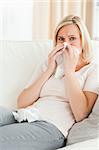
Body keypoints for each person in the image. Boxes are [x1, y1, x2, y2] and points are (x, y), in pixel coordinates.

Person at [0, 15, 98, 150]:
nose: (66, 44)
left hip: (51, 127)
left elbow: (81, 114)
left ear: (83, 41)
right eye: (61, 39)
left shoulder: (93, 70)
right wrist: (49, 69)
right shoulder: (49, 64)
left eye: (72, 38)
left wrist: (69, 71)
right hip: (24, 115)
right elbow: (22, 102)